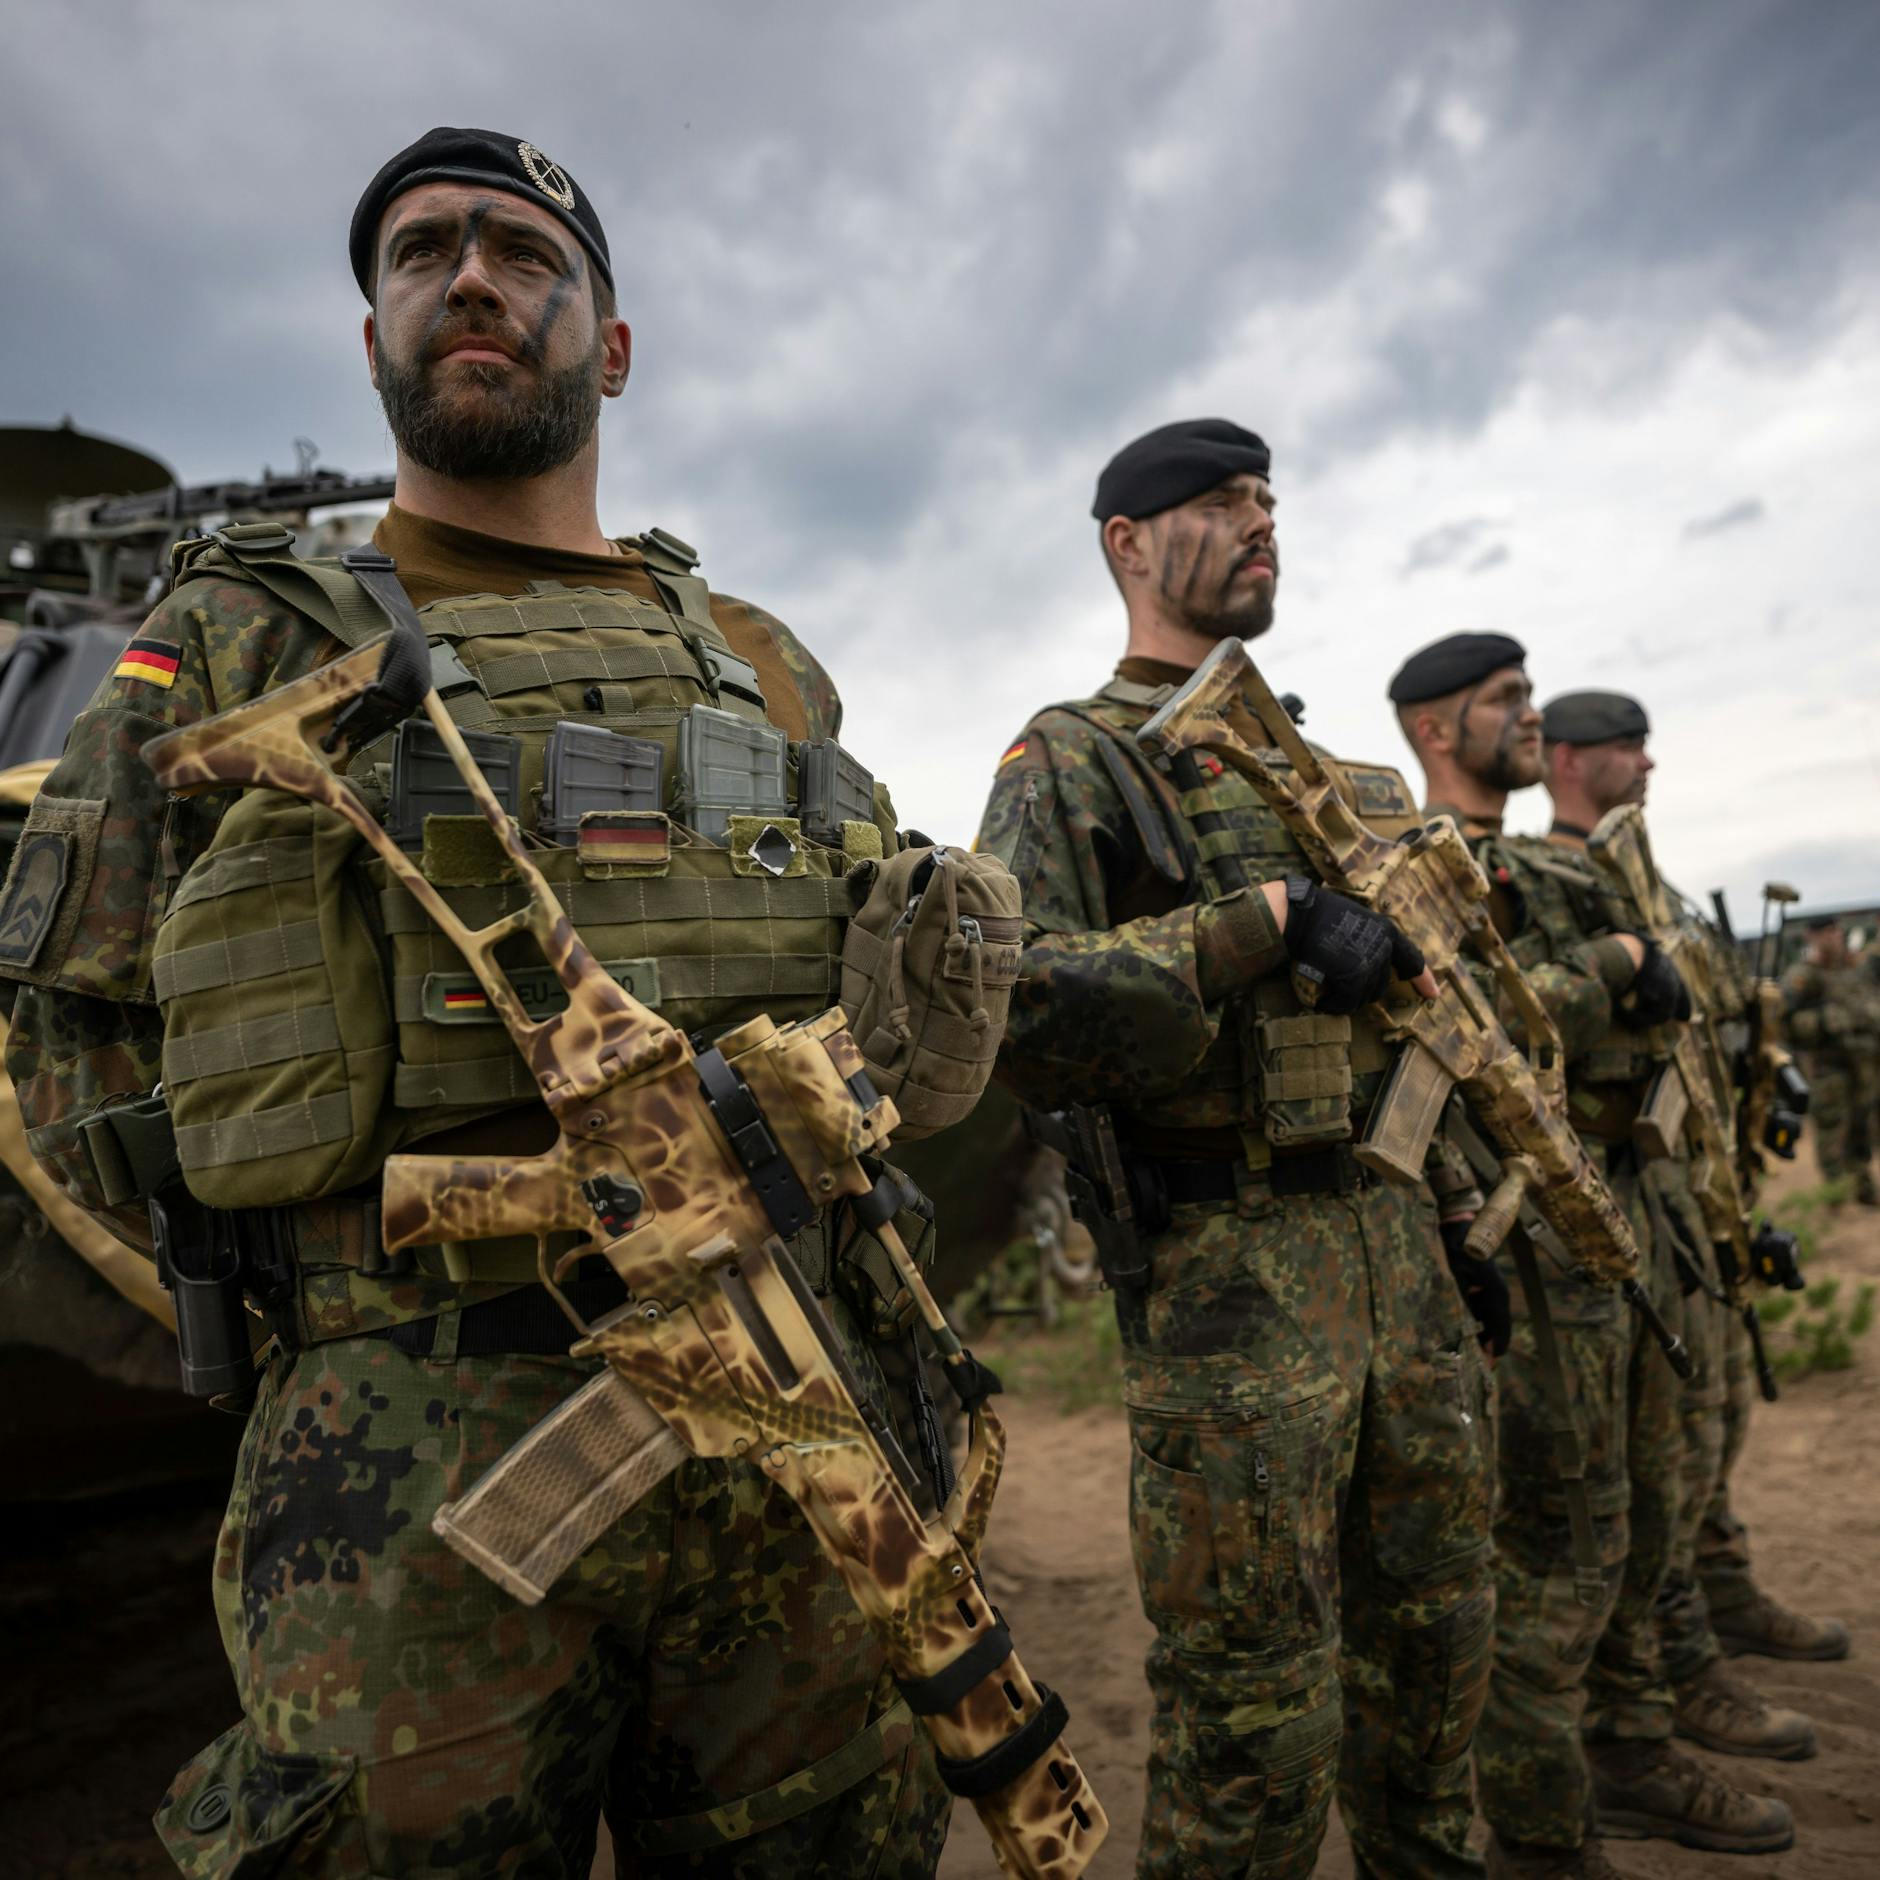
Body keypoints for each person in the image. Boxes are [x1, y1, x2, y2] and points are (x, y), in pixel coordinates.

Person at [0, 127, 951, 1878]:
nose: (473, 280)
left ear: (615, 341)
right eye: (423, 251)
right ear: (372, 335)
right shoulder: (233, 638)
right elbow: (65, 1050)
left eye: (528, 254)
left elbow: (876, 1012)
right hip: (407, 1464)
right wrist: (292, 1307)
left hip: (789, 1414)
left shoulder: (760, 658)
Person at [977, 420, 1497, 1880]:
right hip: (1233, 1292)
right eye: (1218, 501)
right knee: (1254, 1714)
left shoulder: (1324, 780)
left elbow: (1423, 1042)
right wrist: (1249, 930)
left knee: (1439, 1654)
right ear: (1125, 543)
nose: (1261, 519)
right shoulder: (1077, 760)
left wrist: (1463, 1226)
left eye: (1269, 498)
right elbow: (1010, 1006)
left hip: (1403, 1262)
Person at [1392, 645, 1793, 1875]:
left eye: (1528, 695)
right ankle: (1538, 1816)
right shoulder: (1430, 864)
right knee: (1560, 1532)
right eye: (1505, 699)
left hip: (1624, 1201)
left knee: (1637, 1504)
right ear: (1433, 724)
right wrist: (1615, 969)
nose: (1528, 714)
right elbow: (1468, 1017)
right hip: (1531, 1228)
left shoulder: (1548, 862)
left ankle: (1627, 1740)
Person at [1541, 692, 1835, 1763]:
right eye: (1626, 745)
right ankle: (1665, 1665)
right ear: (1571, 759)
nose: (1646, 760)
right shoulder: (1556, 881)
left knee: (1709, 1417)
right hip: (1624, 1190)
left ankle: (1715, 1593)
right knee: (1656, 1447)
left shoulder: (1648, 884)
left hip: (1694, 1180)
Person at [1784, 915, 1880, 1205]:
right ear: (1811, 937)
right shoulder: (1804, 975)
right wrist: (1824, 1021)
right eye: (1824, 932)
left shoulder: (1857, 967)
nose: (1832, 937)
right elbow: (1784, 1023)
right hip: (1829, 1066)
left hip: (1866, 1064)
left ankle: (1864, 1190)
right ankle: (1836, 1197)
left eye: (1835, 931)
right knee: (1831, 1129)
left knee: (1862, 1127)